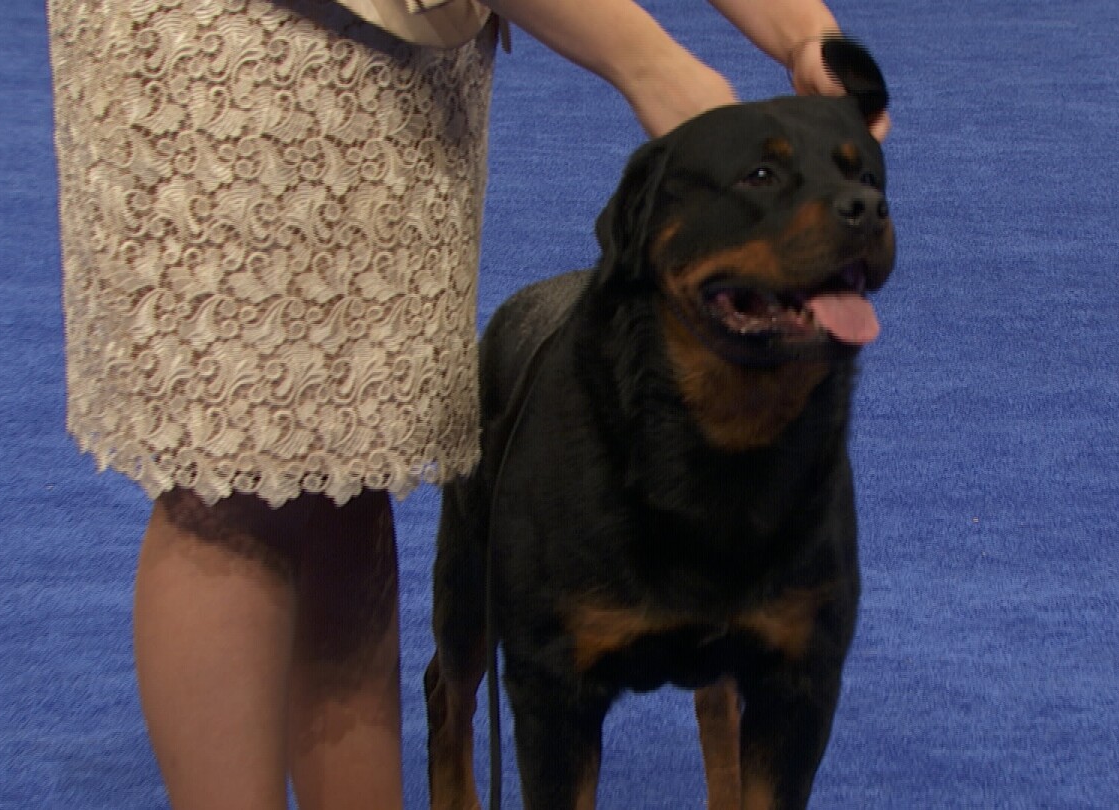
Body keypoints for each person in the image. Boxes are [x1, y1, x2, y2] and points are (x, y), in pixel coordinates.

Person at [46, 0, 885, 807]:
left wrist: (800, 26)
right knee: (231, 483)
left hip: (399, 64)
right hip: (233, 52)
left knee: (349, 468)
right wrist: (651, 63)